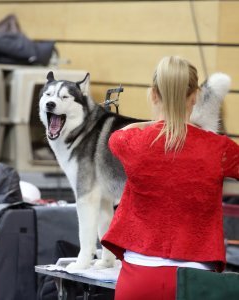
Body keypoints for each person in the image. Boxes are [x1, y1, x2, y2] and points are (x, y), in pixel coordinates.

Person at [101, 56, 239, 300]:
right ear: (195, 96)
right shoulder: (219, 149)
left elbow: (120, 134)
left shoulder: (132, 143)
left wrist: (153, 123)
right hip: (197, 280)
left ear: (153, 95)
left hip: (138, 277)